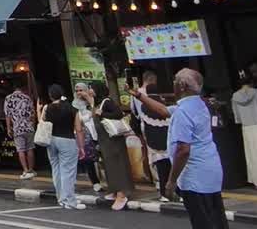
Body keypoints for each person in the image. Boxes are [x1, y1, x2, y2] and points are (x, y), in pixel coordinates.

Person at [131, 69, 227, 229]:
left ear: (182, 86)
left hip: (194, 176)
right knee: (216, 218)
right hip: (211, 171)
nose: (173, 83)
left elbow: (183, 150)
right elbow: (163, 111)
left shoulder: (183, 112)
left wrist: (171, 181)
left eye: (175, 80)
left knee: (202, 222)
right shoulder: (198, 104)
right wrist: (139, 96)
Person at [43, 84, 87, 210]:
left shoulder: (47, 108)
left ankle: (61, 198)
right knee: (68, 171)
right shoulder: (72, 109)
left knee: (56, 169)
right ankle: (70, 201)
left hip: (51, 140)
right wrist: (81, 146)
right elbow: (78, 129)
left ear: (50, 95)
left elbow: (43, 122)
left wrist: (39, 109)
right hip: (67, 140)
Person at [133, 71, 173, 199]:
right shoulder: (163, 105)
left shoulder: (139, 99)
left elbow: (135, 115)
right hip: (168, 139)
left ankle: (160, 189)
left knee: (159, 166)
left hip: (151, 138)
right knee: (171, 166)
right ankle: (176, 192)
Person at [94, 85, 133, 210]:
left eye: (91, 88)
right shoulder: (100, 103)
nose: (90, 91)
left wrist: (102, 113)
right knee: (109, 165)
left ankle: (122, 194)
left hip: (113, 141)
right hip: (106, 141)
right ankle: (115, 190)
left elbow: (118, 114)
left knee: (117, 165)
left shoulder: (107, 102)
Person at [72, 83, 102, 192]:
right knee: (89, 159)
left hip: (97, 131)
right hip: (85, 135)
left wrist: (89, 99)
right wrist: (90, 115)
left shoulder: (93, 101)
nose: (79, 92)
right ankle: (95, 182)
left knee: (102, 158)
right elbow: (78, 120)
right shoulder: (74, 105)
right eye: (77, 90)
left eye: (81, 90)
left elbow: (97, 111)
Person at [3, 83, 36, 179]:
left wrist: (9, 128)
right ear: (22, 88)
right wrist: (33, 126)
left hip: (17, 128)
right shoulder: (27, 98)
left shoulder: (8, 99)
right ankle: (31, 170)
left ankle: (25, 170)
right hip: (29, 127)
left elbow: (7, 115)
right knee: (30, 148)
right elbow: (32, 114)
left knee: (21, 149)